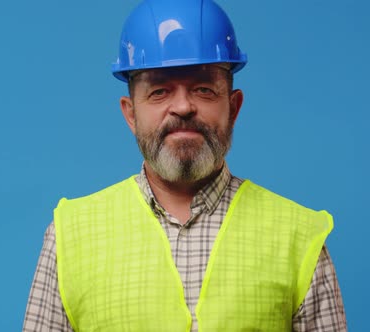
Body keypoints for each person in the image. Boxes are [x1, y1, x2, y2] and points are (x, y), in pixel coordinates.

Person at [23, 0, 347, 331]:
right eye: (160, 91)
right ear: (131, 114)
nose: (182, 107)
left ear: (233, 108)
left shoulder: (298, 237)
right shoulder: (70, 237)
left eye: (204, 89)